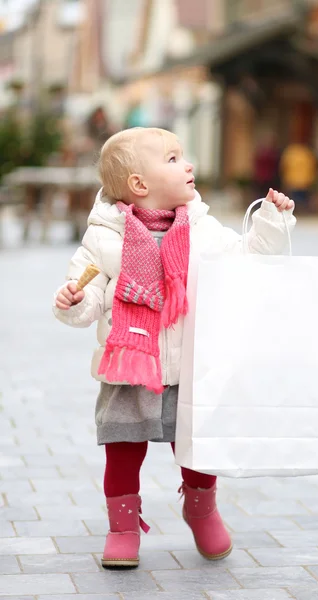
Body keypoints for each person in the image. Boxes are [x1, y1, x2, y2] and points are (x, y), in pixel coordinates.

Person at [53, 127, 296, 569]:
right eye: (171, 159)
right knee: (123, 447)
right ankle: (123, 527)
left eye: (183, 156)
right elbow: (85, 296)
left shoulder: (203, 230)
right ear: (139, 185)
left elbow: (251, 258)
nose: (188, 165)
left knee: (197, 446)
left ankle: (201, 509)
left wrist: (272, 220)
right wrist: (73, 300)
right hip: (129, 368)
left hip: (190, 365)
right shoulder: (104, 236)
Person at [280, 141, 318, 209]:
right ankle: (300, 209)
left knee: (296, 199)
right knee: (300, 199)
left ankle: (298, 210)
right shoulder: (306, 153)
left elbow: (284, 166)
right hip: (302, 181)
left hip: (295, 180)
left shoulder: (291, 152)